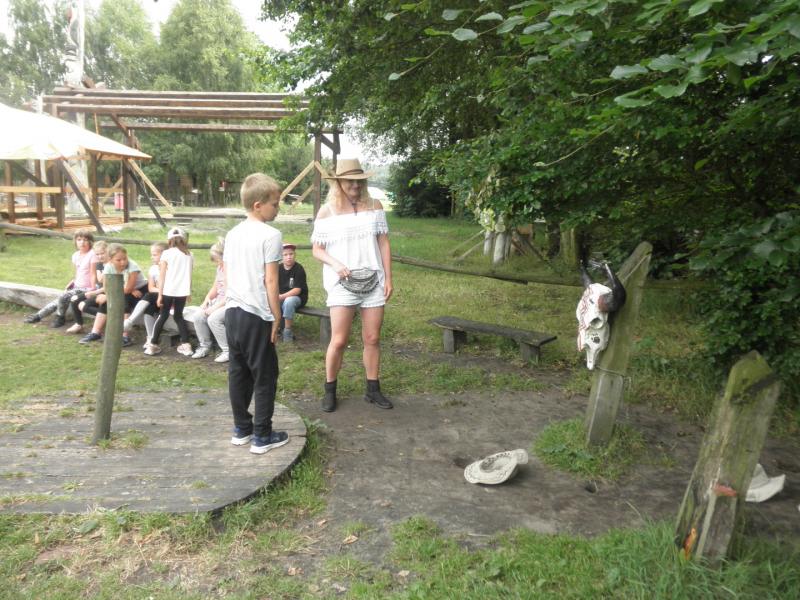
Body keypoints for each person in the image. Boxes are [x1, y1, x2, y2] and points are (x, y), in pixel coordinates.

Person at [310, 158, 393, 413]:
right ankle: (330, 390)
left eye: (359, 181)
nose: (355, 186)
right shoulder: (327, 212)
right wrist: (335, 263)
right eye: (349, 181)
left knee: (372, 337)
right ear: (338, 183)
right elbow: (317, 250)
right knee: (339, 340)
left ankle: (373, 389)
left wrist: (388, 278)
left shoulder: (375, 206)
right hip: (342, 284)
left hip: (373, 281)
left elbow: (383, 243)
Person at [223, 172, 289, 455]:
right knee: (265, 375)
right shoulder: (271, 235)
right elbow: (271, 280)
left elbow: (227, 272)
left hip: (232, 313)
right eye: (275, 203)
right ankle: (262, 435)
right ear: (258, 205)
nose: (278, 208)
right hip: (256, 315)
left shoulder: (232, 234)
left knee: (238, 372)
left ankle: (242, 429)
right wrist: (276, 317)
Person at [24, 229, 95, 328]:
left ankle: (60, 317)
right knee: (57, 301)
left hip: (87, 288)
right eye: (79, 240)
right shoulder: (75, 255)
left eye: (85, 240)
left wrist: (92, 290)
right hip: (77, 286)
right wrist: (73, 282)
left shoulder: (92, 255)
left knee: (63, 297)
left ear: (90, 241)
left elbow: (93, 274)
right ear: (75, 241)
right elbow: (78, 272)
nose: (82, 242)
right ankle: (38, 316)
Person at [79, 243, 147, 345]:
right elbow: (107, 287)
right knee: (107, 302)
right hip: (122, 290)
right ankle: (95, 332)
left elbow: (128, 289)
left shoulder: (132, 266)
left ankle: (124, 335)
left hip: (140, 290)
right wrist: (108, 296)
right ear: (110, 260)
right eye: (118, 260)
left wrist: (109, 296)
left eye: (124, 258)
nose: (123, 262)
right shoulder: (108, 267)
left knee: (124, 300)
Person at [145, 227, 193, 357]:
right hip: (182, 291)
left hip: (168, 290)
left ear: (169, 240)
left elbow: (162, 276)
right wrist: (188, 292)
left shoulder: (166, 254)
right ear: (184, 240)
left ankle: (152, 345)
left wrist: (160, 295)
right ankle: (186, 345)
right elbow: (189, 274)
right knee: (179, 316)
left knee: (163, 315)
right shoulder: (189, 254)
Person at [191, 238, 229, 362]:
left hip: (230, 303)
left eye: (217, 259)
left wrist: (214, 308)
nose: (216, 263)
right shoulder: (220, 268)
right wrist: (206, 300)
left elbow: (229, 295)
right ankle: (205, 346)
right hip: (219, 301)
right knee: (198, 316)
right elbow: (215, 288)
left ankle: (228, 351)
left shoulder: (231, 270)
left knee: (214, 319)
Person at [124, 241, 168, 345]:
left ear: (164, 255)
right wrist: (160, 291)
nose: (152, 257)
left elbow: (171, 289)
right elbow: (151, 288)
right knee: (148, 308)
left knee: (149, 295)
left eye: (154, 255)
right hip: (157, 296)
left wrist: (161, 291)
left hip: (170, 297)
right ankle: (150, 338)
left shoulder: (171, 269)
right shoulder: (153, 269)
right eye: (151, 255)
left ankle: (130, 321)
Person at [66, 239, 107, 334]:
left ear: (108, 251)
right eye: (97, 254)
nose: (100, 256)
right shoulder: (99, 264)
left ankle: (107, 317)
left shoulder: (111, 264)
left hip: (104, 292)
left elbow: (104, 282)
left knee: (83, 305)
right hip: (98, 290)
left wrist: (93, 292)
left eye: (102, 253)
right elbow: (100, 279)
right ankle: (78, 324)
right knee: (75, 299)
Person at [278, 243, 308, 342]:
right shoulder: (278, 268)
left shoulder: (299, 269)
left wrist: (281, 297)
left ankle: (287, 331)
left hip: (297, 297)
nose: (289, 257)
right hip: (281, 296)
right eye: (285, 255)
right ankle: (276, 328)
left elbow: (297, 290)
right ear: (281, 257)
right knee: (269, 300)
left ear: (295, 255)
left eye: (291, 254)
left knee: (289, 301)